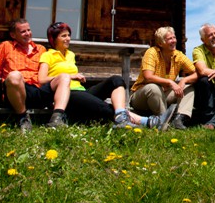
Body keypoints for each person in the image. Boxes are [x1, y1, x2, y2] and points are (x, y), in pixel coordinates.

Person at [38, 22, 176, 130]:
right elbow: (41, 79)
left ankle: (122, 115)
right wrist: (70, 76)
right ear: (54, 39)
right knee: (102, 106)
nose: (68, 38)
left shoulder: (70, 55)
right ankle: (148, 122)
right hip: (67, 95)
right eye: (63, 36)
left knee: (116, 80)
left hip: (81, 91)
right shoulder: (47, 55)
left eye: (68, 35)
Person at [0, 18, 71, 132]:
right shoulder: (6, 46)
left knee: (64, 76)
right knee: (15, 75)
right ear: (13, 35)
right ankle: (23, 118)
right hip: (17, 92)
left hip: (37, 91)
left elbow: (47, 74)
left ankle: (57, 118)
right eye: (23, 31)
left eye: (29, 30)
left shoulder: (41, 49)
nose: (27, 34)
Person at [130, 26, 198, 130]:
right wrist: (171, 82)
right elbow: (148, 77)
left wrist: (184, 80)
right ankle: (163, 123)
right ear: (161, 43)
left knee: (188, 88)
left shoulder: (178, 55)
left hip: (163, 95)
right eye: (169, 39)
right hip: (141, 96)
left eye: (174, 38)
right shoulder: (152, 52)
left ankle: (179, 119)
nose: (173, 41)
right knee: (153, 87)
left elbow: (196, 73)